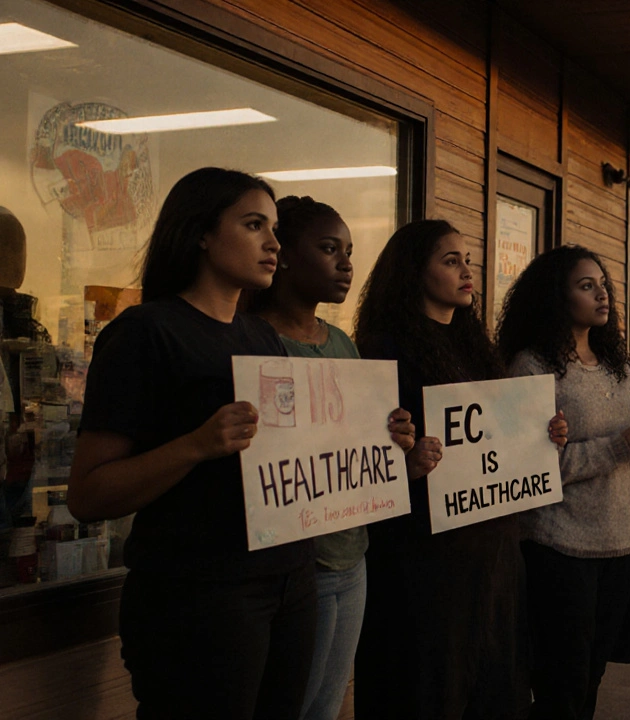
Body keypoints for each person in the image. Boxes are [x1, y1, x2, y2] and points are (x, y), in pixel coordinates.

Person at [65, 167, 413, 719]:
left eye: (274, 228)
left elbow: (303, 457)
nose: (273, 243)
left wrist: (380, 440)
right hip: (198, 594)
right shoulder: (144, 333)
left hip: (292, 580)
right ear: (201, 233)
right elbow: (86, 495)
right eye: (254, 225)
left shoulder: (260, 336)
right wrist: (196, 445)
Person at [352, 219, 568, 720]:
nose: (466, 271)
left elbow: (502, 439)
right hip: (424, 557)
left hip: (491, 551)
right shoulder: (384, 350)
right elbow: (368, 461)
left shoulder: (477, 346)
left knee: (494, 691)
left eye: (467, 260)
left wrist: (545, 436)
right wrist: (406, 463)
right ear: (413, 272)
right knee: (429, 690)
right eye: (450, 261)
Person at [248, 196, 427, 720]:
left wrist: (395, 438)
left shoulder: (343, 343)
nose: (346, 264)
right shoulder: (256, 341)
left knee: (327, 702)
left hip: (353, 552)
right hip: (297, 560)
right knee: (292, 704)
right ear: (282, 256)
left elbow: (356, 441)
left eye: (348, 251)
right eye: (329, 249)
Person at [497, 245, 630, 720]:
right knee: (561, 688)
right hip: (558, 548)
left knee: (590, 679)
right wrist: (623, 444)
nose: (602, 294)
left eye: (603, 284)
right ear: (556, 295)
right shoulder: (531, 366)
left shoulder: (616, 365)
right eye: (585, 285)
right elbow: (532, 470)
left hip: (619, 546)